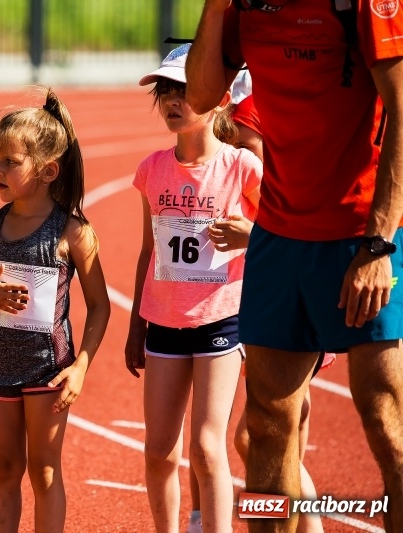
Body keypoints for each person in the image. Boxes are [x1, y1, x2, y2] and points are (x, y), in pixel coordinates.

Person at [186, 3, 403, 532]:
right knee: (266, 425)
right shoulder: (244, 7)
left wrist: (378, 244)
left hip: (358, 235)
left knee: (385, 420)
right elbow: (200, 95)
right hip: (279, 239)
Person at [0, 87, 110, 533]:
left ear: (47, 169)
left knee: (44, 471)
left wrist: (80, 367)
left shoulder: (74, 232)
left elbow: (100, 306)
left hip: (49, 371)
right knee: (4, 469)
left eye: (10, 161)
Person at [124, 43, 261, 533]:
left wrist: (250, 234)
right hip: (163, 321)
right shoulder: (152, 168)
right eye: (166, 90)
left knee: (207, 447)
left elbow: (284, 239)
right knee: (159, 450)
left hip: (220, 320)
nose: (172, 100)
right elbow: (148, 253)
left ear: (221, 98)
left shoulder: (242, 168)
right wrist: (134, 325)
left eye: (184, 90)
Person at [227, 94, 326, 533]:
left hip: (286, 310)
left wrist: (255, 237)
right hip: (266, 309)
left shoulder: (293, 193)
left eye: (246, 147)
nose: (238, 156)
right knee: (278, 443)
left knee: (258, 438)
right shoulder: (251, 186)